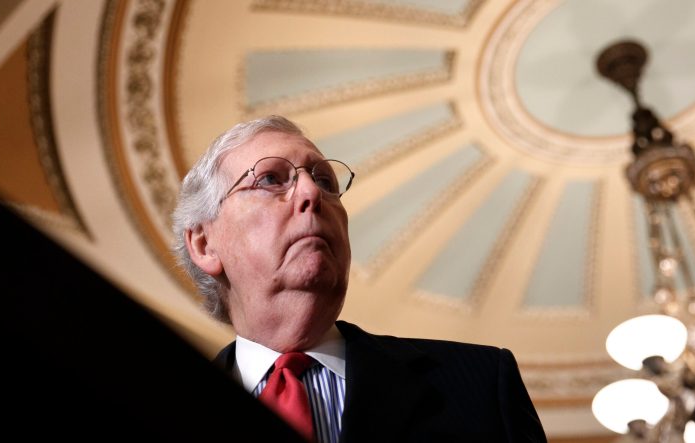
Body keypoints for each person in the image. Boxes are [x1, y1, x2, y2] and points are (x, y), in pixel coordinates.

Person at [172, 115, 547, 443]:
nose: (311, 192)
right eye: (271, 178)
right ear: (204, 244)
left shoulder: (481, 385)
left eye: (325, 181)